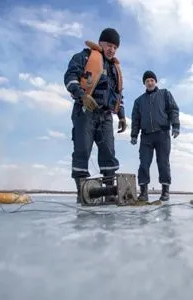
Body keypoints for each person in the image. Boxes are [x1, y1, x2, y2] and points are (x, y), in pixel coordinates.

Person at [63, 28, 127, 203]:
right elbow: (70, 77)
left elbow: (118, 94)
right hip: (86, 113)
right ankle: (82, 192)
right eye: (109, 45)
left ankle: (110, 193)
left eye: (115, 47)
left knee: (109, 153)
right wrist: (82, 95)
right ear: (101, 43)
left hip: (105, 116)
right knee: (82, 150)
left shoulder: (114, 68)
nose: (112, 49)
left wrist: (121, 115)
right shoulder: (83, 57)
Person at [130, 70, 180, 203]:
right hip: (146, 136)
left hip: (162, 134)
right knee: (144, 163)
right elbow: (135, 119)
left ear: (155, 81)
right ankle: (144, 193)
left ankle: (165, 191)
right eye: (147, 81)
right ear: (144, 84)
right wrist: (134, 134)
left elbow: (173, 110)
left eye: (152, 80)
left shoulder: (165, 94)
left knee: (163, 162)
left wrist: (175, 125)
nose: (150, 83)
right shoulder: (139, 101)